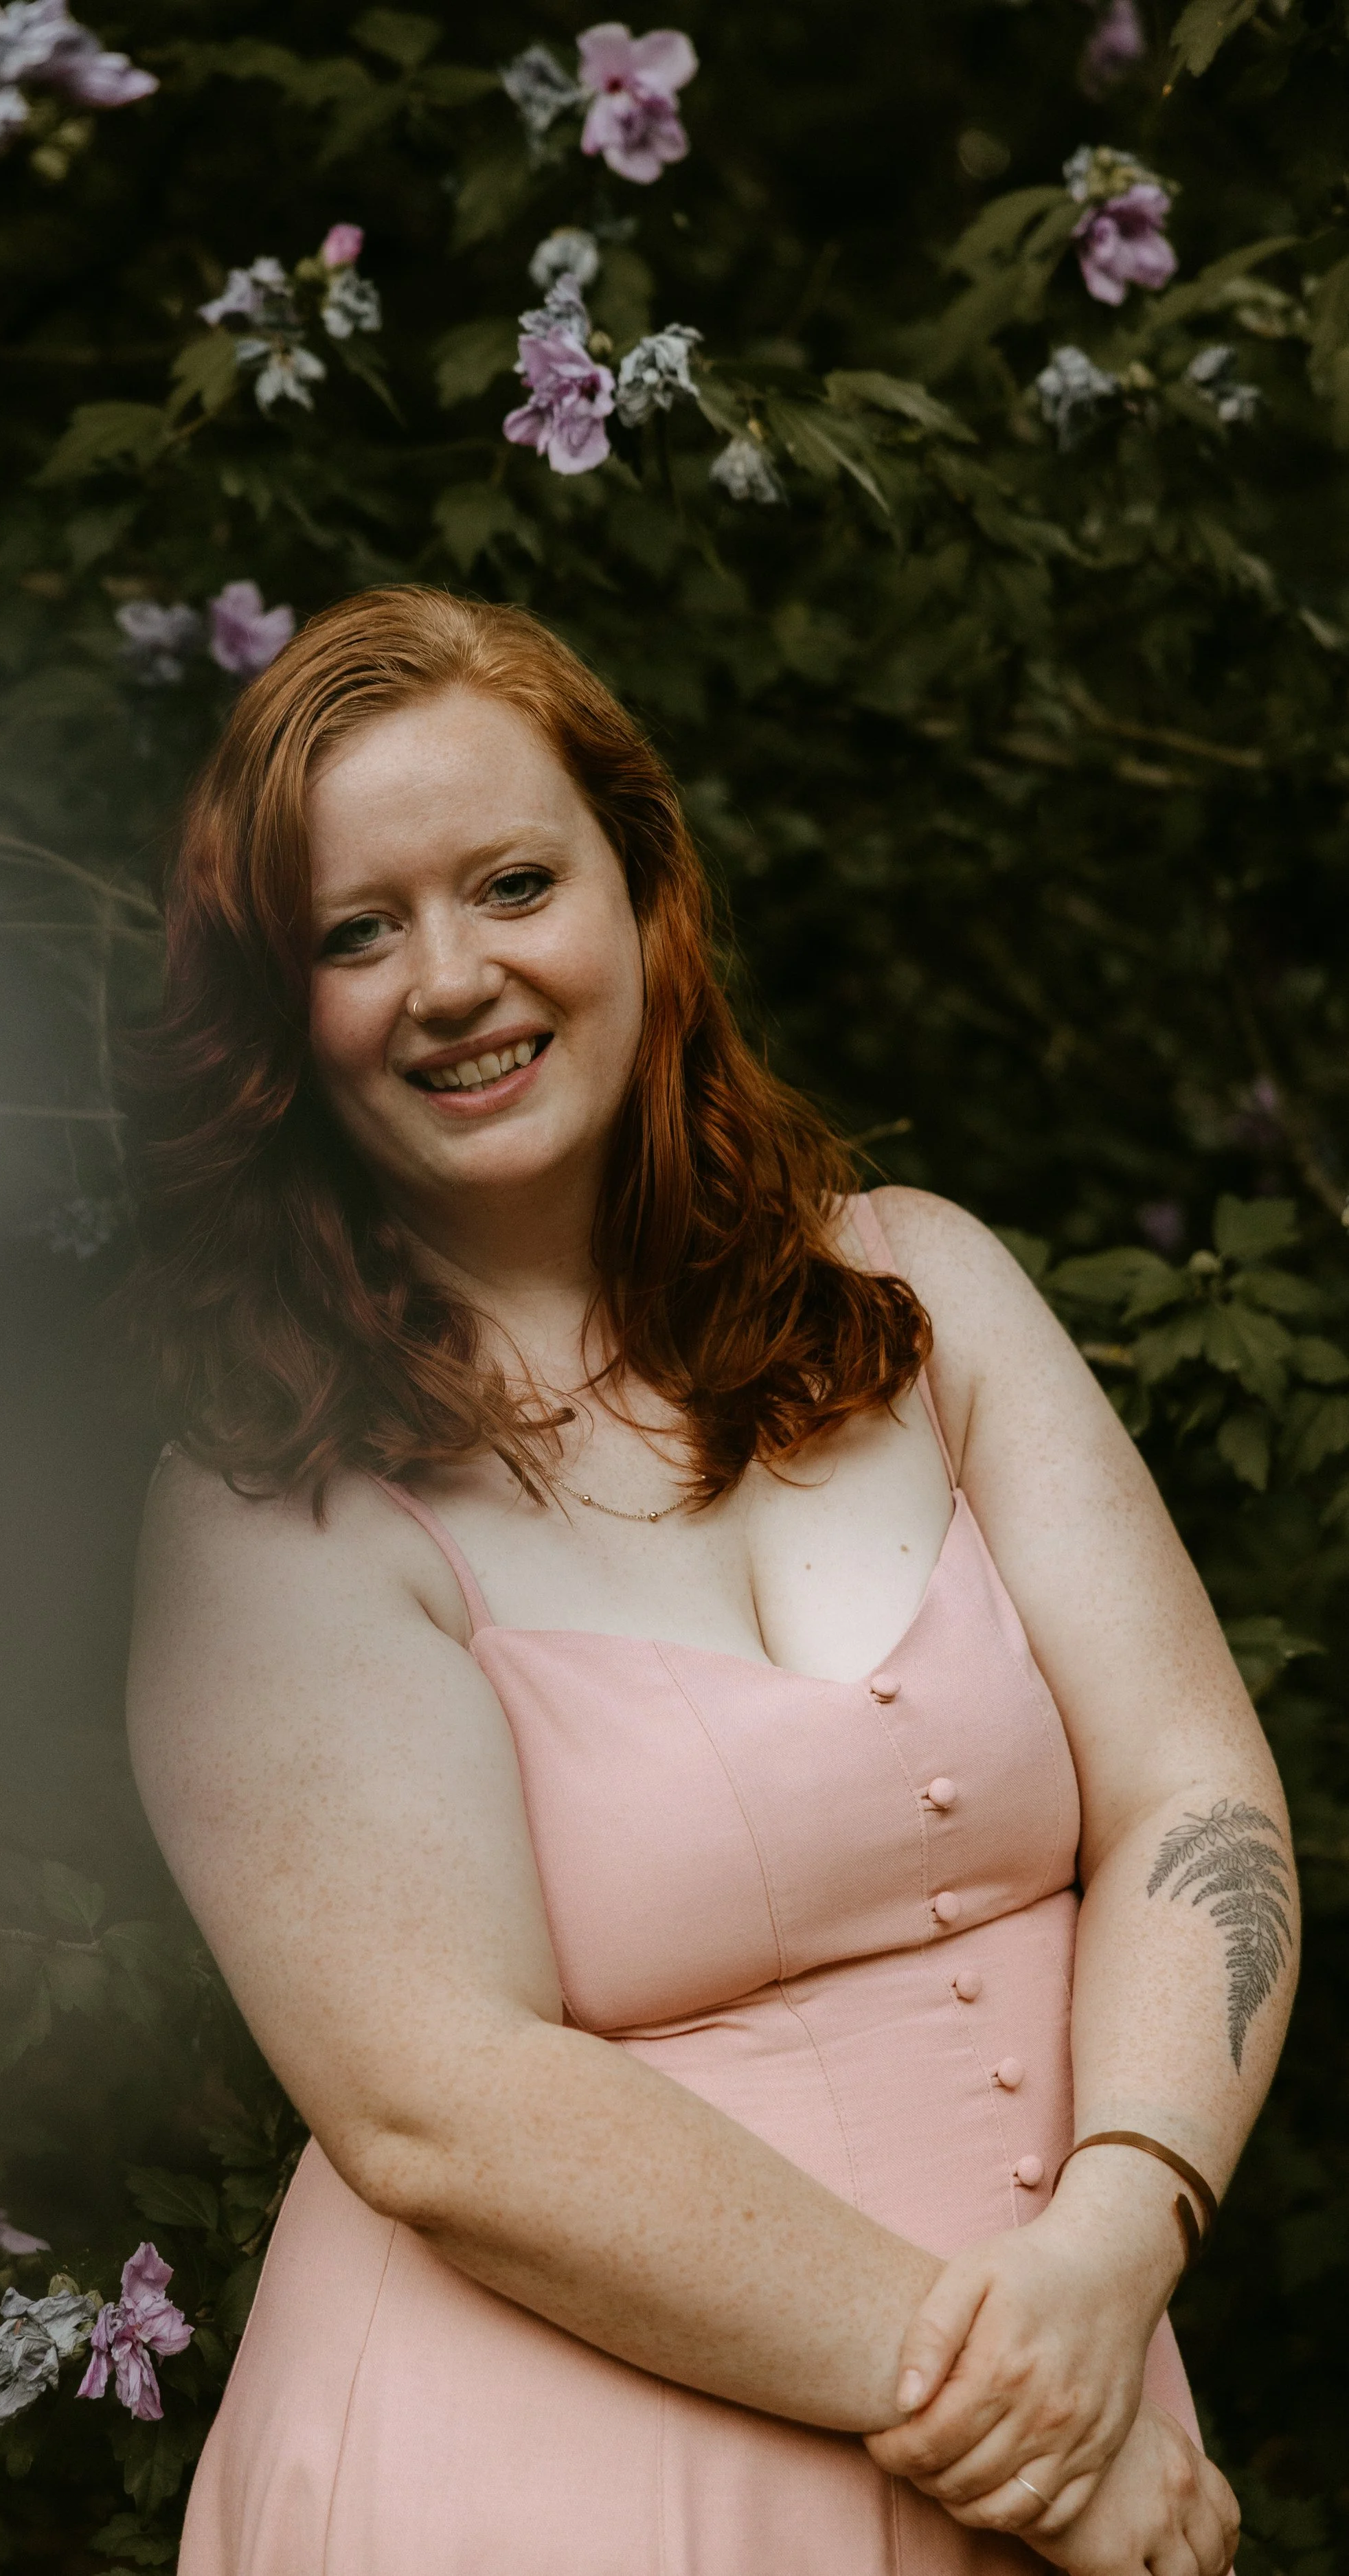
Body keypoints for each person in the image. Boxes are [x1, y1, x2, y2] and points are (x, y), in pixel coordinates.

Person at [124, 587, 1292, 2575]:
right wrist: (1025, 2423)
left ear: (640, 893)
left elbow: (1196, 1786)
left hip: (1061, 2390)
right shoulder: (268, 1509)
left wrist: (1111, 2240)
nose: (451, 976)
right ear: (277, 1013)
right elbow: (442, 2106)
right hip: (551, 2496)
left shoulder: (918, 1293)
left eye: (510, 882)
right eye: (354, 929)